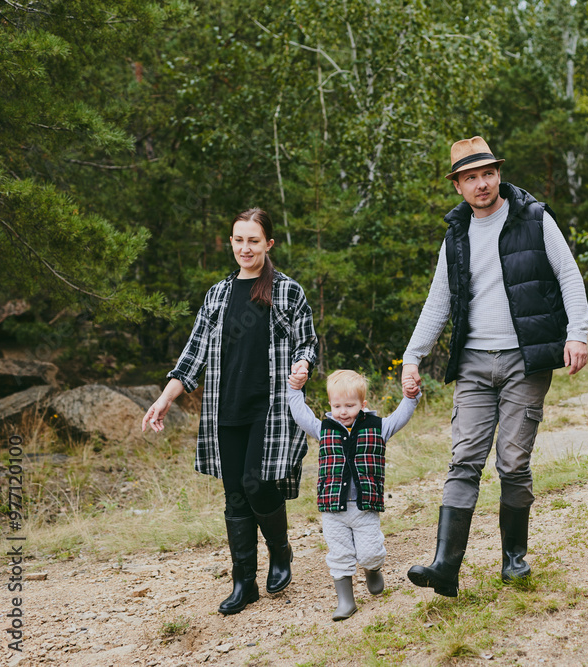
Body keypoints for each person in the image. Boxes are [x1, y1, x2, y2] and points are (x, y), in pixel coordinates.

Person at [400, 136, 588, 597]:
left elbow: (568, 274)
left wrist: (577, 333)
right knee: (463, 459)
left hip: (525, 361)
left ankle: (514, 559)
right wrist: (412, 356)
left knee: (512, 460)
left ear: (498, 174)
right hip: (472, 366)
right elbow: (437, 302)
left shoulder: (534, 218)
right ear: (458, 187)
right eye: (470, 177)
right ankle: (445, 566)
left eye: (487, 173)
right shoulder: (456, 236)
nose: (481, 183)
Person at [141, 207, 318, 615]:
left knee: (257, 483)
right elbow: (193, 356)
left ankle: (280, 552)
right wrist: (165, 398)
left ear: (268, 244)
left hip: (270, 408)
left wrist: (303, 363)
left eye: (253, 240)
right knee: (235, 494)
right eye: (239, 240)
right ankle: (245, 583)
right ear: (231, 242)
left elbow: (307, 341)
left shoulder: (287, 291)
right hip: (225, 409)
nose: (245, 247)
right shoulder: (218, 294)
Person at [286, 369, 419, 620]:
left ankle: (373, 568)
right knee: (339, 554)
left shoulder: (378, 427)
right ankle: (346, 601)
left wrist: (411, 397)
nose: (343, 411)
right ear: (330, 405)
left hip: (364, 507)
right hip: (333, 508)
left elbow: (400, 416)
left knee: (370, 552)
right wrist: (294, 391)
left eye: (350, 405)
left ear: (363, 404)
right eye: (337, 406)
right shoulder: (324, 429)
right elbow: (301, 415)